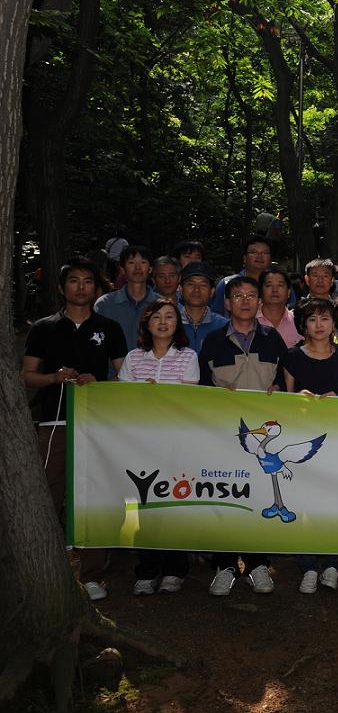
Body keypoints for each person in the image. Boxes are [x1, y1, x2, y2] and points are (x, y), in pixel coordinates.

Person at [23, 257, 128, 600]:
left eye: (87, 281)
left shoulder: (109, 328)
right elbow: (27, 375)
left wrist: (98, 382)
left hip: (97, 426)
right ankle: (47, 569)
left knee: (95, 497)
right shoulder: (43, 328)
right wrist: (53, 377)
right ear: (61, 287)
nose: (80, 287)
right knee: (48, 493)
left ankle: (94, 573)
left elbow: (123, 376)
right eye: (73, 281)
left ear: (96, 288)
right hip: (53, 422)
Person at [199, 274, 288, 596]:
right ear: (227, 302)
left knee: (259, 497)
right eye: (239, 296)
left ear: (260, 302)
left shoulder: (272, 339)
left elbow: (283, 380)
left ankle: (256, 564)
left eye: (252, 295)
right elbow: (201, 388)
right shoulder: (212, 340)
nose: (246, 301)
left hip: (262, 438)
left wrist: (277, 388)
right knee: (225, 495)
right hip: (224, 434)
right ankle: (223, 564)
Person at [118, 298, 198, 596]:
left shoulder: (187, 355)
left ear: (177, 324)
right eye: (156, 317)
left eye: (169, 317)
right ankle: (147, 569)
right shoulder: (133, 358)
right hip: (141, 444)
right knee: (143, 503)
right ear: (146, 323)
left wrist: (157, 395)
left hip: (177, 443)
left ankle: (176, 569)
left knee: (175, 503)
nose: (163, 322)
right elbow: (123, 400)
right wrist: (143, 396)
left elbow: (187, 400)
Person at [280, 297, 338, 593]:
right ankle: (308, 565)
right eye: (312, 319)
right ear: (304, 325)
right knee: (305, 502)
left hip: (335, 439)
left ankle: (332, 564)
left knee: (334, 503)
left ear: (333, 322)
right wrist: (299, 401)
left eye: (324, 319)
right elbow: (285, 402)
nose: (319, 325)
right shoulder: (292, 357)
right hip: (300, 439)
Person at [94, 244, 160, 352]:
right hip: (113, 369)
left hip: (152, 368)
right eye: (131, 262)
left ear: (150, 269)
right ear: (122, 269)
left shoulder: (161, 305)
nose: (137, 268)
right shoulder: (105, 304)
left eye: (143, 262)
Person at [211, 236, 291, 314]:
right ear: (244, 258)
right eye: (254, 252)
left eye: (265, 253)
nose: (259, 256)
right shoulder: (226, 283)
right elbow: (216, 316)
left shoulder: (282, 283)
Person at [179, 262, 229, 353]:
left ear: (212, 292)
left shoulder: (224, 326)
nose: (196, 290)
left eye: (203, 285)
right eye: (191, 284)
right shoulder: (169, 324)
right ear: (181, 289)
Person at [256, 268, 300, 346]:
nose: (275, 290)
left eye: (280, 285)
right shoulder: (250, 321)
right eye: (269, 285)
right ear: (261, 291)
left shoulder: (299, 321)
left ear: (289, 292)